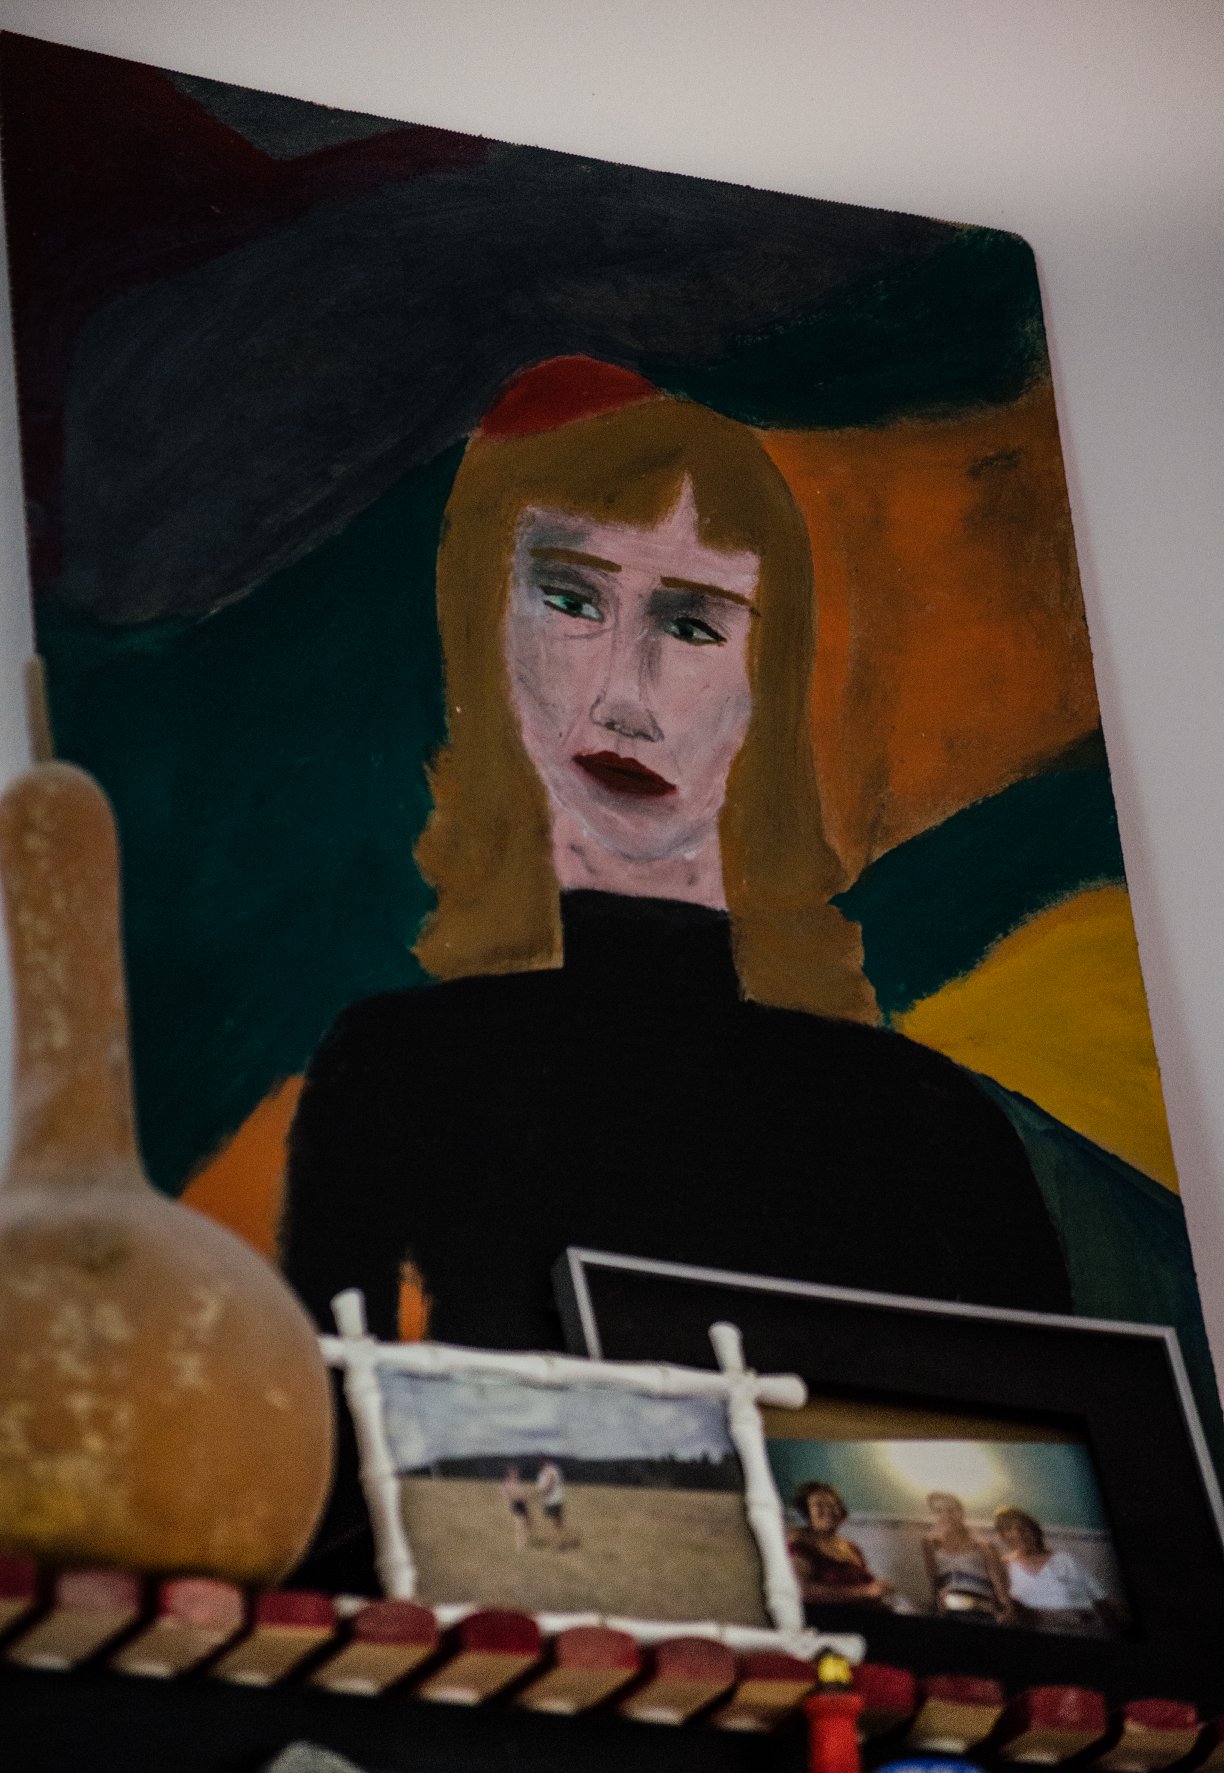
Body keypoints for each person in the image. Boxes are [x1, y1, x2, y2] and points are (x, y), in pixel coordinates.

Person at [281, 355, 1070, 1369]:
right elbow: (330, 1436)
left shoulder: (928, 1126)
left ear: (766, 681)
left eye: (692, 624)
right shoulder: (397, 1070)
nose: (623, 697)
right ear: (487, 626)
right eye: (571, 601)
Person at [993, 1505, 1123, 1635]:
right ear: (1003, 1536)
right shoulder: (1005, 1565)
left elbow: (1100, 1599)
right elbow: (1003, 1605)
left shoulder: (1065, 1560)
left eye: (1023, 1528)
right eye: (1008, 1529)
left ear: (1034, 1530)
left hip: (1078, 1629)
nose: (1018, 1534)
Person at [787, 1481, 892, 1609]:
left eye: (833, 1505)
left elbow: (867, 1585)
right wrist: (865, 1592)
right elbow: (802, 1590)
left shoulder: (851, 1547)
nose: (828, 1510)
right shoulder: (799, 1540)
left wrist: (880, 1588)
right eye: (819, 1505)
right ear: (807, 1511)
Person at [921, 1491, 1012, 1622]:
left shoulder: (983, 1546)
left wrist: (1004, 1611)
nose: (946, 1516)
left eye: (951, 1510)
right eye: (939, 1511)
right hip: (949, 1609)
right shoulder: (929, 1543)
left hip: (981, 1609)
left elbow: (1001, 1590)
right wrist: (937, 1606)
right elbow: (935, 1582)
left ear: (962, 1512)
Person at [502, 1465, 532, 1551]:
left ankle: (523, 1543)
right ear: (509, 1474)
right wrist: (519, 1497)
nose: (516, 1475)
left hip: (522, 1505)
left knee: (525, 1525)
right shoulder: (508, 1484)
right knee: (519, 1526)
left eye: (516, 1473)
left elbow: (522, 1494)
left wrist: (525, 1496)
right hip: (516, 1506)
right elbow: (507, 1494)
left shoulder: (517, 1483)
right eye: (514, 1474)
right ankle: (519, 1546)